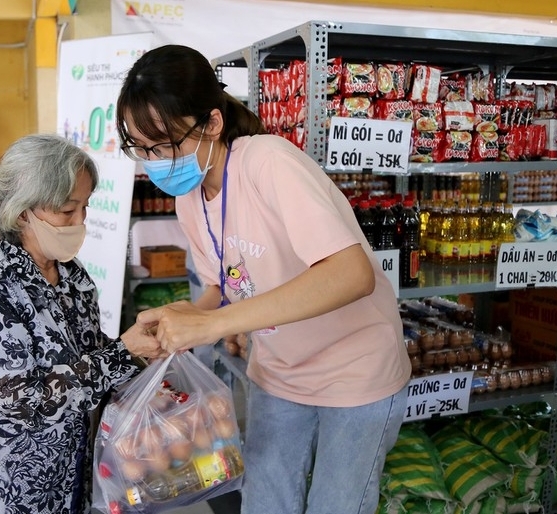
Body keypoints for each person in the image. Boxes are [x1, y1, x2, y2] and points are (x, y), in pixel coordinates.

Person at [116, 45, 412, 514]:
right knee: (265, 500)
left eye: (165, 144)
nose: (153, 162)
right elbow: (220, 284)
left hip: (354, 371)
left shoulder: (267, 163)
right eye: (142, 148)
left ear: (212, 123)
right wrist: (185, 316)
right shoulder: (190, 199)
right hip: (277, 371)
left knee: (337, 504)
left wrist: (215, 325)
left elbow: (352, 275)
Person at [0, 134, 165, 514]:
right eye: (66, 211)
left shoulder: (69, 273)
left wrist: (141, 357)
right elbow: (19, 397)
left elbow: (82, 351)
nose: (80, 221)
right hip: (0, 485)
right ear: (23, 213)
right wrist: (122, 355)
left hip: (65, 476)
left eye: (85, 207)